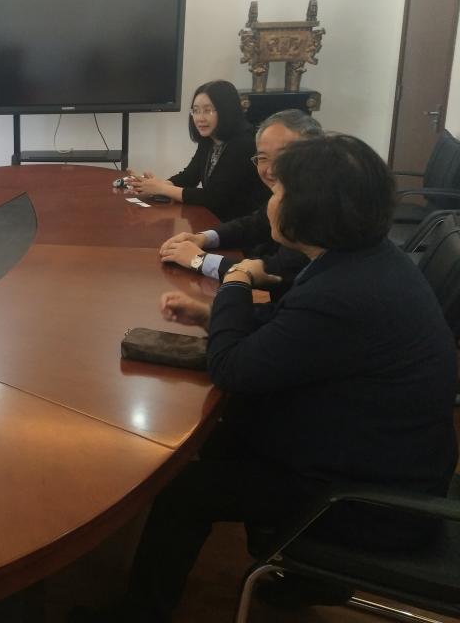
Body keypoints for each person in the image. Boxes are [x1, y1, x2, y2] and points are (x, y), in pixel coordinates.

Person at [118, 135, 458, 622]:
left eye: (279, 191)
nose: (269, 200)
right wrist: (211, 315)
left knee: (187, 489)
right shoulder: (365, 262)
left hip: (371, 502)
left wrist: (235, 283)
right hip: (387, 459)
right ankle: (301, 580)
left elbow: (233, 369)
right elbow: (293, 332)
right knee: (223, 434)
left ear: (311, 209)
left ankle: (139, 614)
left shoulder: (342, 291)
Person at [158, 109, 322, 295]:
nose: (271, 170)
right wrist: (202, 238)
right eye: (263, 158)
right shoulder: (288, 193)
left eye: (284, 157)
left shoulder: (320, 206)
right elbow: (254, 224)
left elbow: (274, 273)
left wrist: (198, 260)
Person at [127, 79, 268, 221]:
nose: (200, 118)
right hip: (217, 220)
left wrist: (163, 189)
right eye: (196, 111)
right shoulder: (209, 139)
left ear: (226, 110)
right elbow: (189, 177)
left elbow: (213, 197)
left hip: (241, 225)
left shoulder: (244, 143)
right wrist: (156, 185)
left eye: (207, 110)